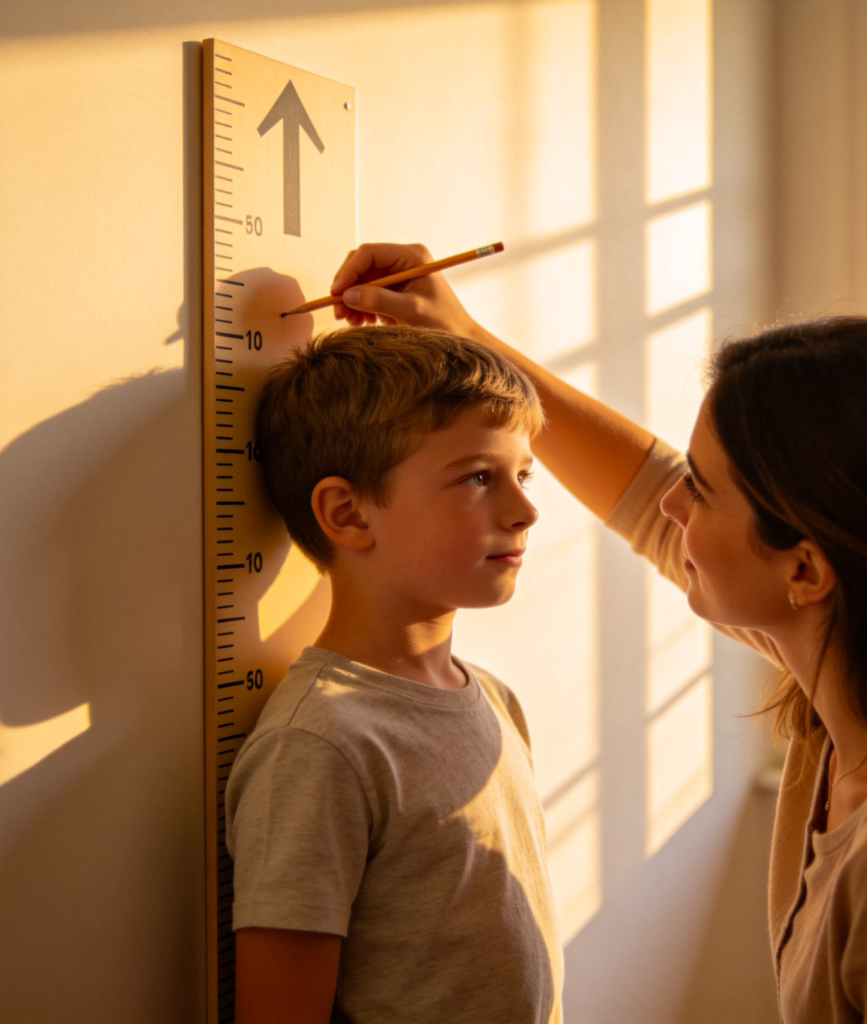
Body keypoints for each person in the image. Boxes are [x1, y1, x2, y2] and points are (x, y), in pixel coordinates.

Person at [328, 243, 867, 1023]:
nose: (674, 509)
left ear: (805, 571)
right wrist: (466, 335)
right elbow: (645, 497)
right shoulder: (853, 680)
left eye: (701, 493)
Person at [225, 324, 563, 1023]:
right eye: (478, 477)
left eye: (522, 474)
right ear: (347, 514)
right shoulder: (318, 745)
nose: (526, 510)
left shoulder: (494, 699)